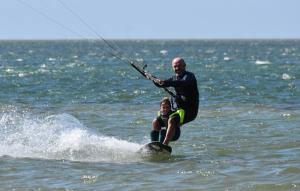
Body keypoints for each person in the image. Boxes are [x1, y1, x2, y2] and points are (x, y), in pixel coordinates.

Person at [151, 57, 199, 145]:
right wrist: (153, 79)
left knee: (172, 119)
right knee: (156, 121)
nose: (177, 68)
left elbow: (181, 82)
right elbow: (162, 84)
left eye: (179, 66)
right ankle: (154, 144)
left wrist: (165, 82)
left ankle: (165, 144)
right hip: (178, 110)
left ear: (184, 66)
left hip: (190, 112)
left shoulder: (189, 77)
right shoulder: (174, 78)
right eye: (175, 66)